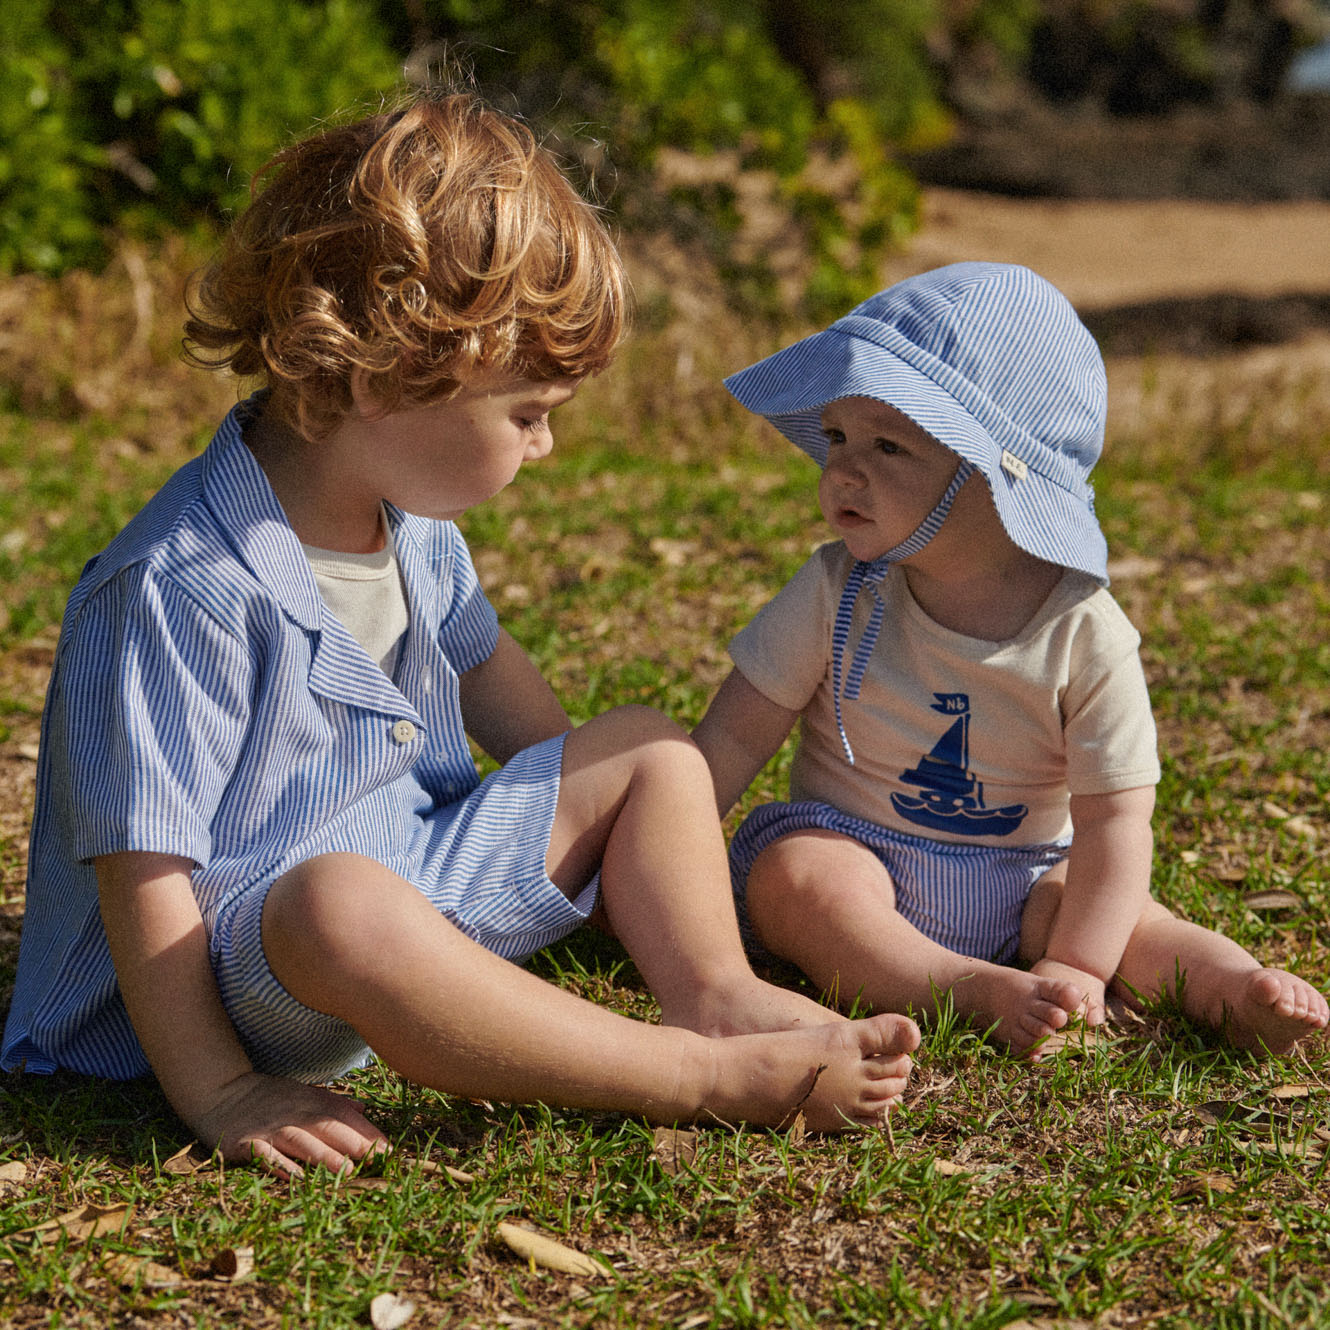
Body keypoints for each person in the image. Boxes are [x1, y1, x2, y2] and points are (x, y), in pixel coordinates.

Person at [0, 92, 920, 1175]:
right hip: (249, 963)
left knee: (648, 750)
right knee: (340, 901)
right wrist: (223, 1089)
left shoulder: (411, 520)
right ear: (389, 375)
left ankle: (711, 991)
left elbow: (487, 672)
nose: (544, 449)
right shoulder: (180, 585)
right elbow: (146, 874)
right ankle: (691, 1076)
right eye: (528, 412)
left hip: (408, 872)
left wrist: (612, 830)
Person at [693, 261, 1328, 1057]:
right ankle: (955, 986)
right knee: (796, 881)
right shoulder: (835, 590)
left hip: (1030, 870)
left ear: (993, 479)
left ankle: (1233, 988)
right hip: (858, 848)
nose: (843, 471)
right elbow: (732, 740)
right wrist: (654, 855)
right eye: (836, 436)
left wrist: (1078, 962)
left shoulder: (1084, 630)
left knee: (1128, 917)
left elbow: (1114, 818)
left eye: (889, 445)